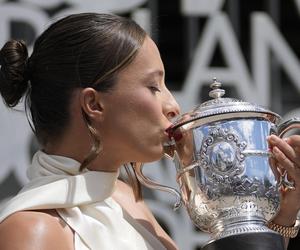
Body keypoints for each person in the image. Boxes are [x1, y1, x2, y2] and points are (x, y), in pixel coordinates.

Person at [0, 12, 298, 250]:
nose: (173, 105)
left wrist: (281, 215)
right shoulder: (32, 232)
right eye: (153, 86)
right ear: (94, 103)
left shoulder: (125, 199)